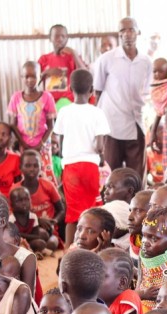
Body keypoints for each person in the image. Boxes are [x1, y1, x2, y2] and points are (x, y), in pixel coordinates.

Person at [54, 69, 110, 248]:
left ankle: (67, 254)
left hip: (70, 167)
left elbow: (60, 140)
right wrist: (100, 157)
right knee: (93, 210)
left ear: (70, 88)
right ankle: (94, 249)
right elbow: (100, 146)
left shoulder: (64, 111)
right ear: (92, 90)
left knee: (72, 214)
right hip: (90, 167)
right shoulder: (97, 113)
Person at [93, 17, 151, 177]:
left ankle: (138, 202)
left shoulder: (146, 62)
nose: (127, 34)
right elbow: (97, 92)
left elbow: (147, 93)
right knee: (111, 173)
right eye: (122, 31)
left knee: (137, 174)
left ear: (138, 32)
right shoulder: (106, 59)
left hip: (136, 123)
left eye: (131, 29)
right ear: (119, 34)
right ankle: (112, 203)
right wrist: (98, 127)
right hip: (111, 125)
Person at [7, 61, 56, 158]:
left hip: (43, 144)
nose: (30, 80)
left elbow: (51, 126)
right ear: (22, 77)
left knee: (45, 171)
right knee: (27, 169)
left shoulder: (47, 97)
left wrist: (40, 145)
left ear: (40, 76)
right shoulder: (16, 97)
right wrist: (23, 144)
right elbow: (13, 124)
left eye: (34, 76)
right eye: (27, 77)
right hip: (23, 145)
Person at [38, 24, 88, 104]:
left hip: (68, 101)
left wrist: (74, 53)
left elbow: (85, 75)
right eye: (56, 36)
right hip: (49, 102)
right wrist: (47, 72)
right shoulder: (44, 59)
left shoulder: (73, 58)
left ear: (67, 39)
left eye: (63, 36)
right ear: (50, 38)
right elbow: (35, 81)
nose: (60, 39)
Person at [0, 122, 21, 197]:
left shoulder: (15, 159)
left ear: (10, 138)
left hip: (8, 201)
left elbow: (18, 187)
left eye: (4, 134)